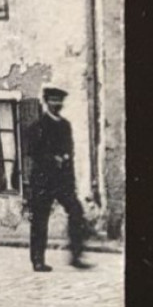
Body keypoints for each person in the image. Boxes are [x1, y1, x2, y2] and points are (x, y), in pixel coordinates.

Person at [23, 86, 89, 272]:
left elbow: (70, 153)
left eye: (59, 101)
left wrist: (70, 176)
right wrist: (53, 158)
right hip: (43, 180)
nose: (56, 104)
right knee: (39, 221)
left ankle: (76, 256)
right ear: (46, 102)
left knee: (76, 211)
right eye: (53, 100)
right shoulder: (37, 126)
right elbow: (33, 153)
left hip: (62, 181)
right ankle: (38, 260)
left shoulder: (65, 125)